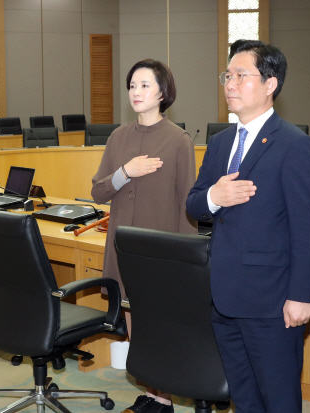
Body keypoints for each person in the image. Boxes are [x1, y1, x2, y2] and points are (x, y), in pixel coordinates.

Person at [186, 40, 310, 412]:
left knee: (278, 400)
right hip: (224, 295)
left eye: (241, 75)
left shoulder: (295, 145)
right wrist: (215, 196)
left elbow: (306, 228)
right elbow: (195, 204)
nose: (230, 84)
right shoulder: (220, 143)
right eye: (227, 76)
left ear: (270, 83)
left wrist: (301, 295)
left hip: (273, 302)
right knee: (244, 398)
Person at [91, 59, 196, 413]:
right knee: (134, 323)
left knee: (160, 327)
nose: (136, 92)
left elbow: (188, 206)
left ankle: (162, 397)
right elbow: (98, 192)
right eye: (132, 85)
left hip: (161, 254)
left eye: (145, 85)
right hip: (124, 249)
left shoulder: (178, 140)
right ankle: (152, 393)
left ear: (162, 93)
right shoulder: (118, 136)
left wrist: (184, 261)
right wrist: (125, 171)